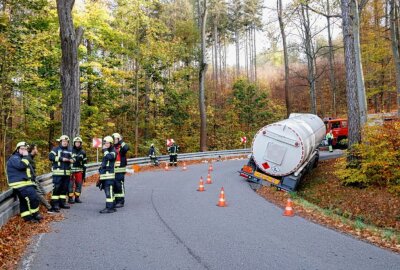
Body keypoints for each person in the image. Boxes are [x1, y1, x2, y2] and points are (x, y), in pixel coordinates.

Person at [6, 142, 42, 223]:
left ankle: (28, 218)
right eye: (22, 149)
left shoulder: (22, 158)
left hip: (25, 183)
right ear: (17, 149)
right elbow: (21, 166)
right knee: (33, 198)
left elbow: (29, 169)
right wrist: (26, 156)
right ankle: (35, 214)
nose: (24, 150)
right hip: (20, 184)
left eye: (25, 149)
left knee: (24, 201)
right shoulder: (14, 158)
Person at [49, 135, 74, 212]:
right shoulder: (55, 149)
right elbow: (50, 157)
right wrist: (61, 159)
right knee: (57, 188)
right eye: (63, 141)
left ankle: (62, 202)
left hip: (67, 173)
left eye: (66, 142)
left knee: (64, 188)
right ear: (60, 142)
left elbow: (74, 158)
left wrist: (72, 160)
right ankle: (55, 204)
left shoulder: (70, 150)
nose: (65, 143)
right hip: (57, 173)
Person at [26, 143, 53, 212]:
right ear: (33, 149)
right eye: (36, 148)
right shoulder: (27, 158)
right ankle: (49, 208)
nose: (37, 150)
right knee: (39, 193)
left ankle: (47, 206)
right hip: (31, 180)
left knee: (43, 191)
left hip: (34, 178)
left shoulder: (31, 158)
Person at [98, 136, 117, 213]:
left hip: (109, 176)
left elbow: (109, 157)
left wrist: (105, 150)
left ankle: (109, 208)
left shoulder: (113, 151)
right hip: (105, 175)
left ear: (111, 143)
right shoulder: (107, 152)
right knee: (109, 191)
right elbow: (105, 162)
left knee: (109, 192)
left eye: (107, 143)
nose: (105, 144)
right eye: (105, 143)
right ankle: (112, 206)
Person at [112, 133, 129, 208]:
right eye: (113, 139)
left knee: (119, 185)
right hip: (113, 170)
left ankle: (120, 201)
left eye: (115, 139)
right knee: (114, 185)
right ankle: (115, 200)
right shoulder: (112, 147)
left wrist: (120, 140)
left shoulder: (121, 148)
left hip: (120, 170)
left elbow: (126, 147)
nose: (114, 140)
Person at [68, 137, 87, 204]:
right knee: (70, 185)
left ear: (80, 143)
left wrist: (84, 173)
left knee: (79, 185)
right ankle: (70, 198)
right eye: (76, 142)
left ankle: (77, 197)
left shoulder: (83, 152)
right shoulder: (70, 150)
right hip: (71, 171)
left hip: (79, 171)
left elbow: (85, 163)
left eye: (79, 142)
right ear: (74, 143)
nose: (77, 143)